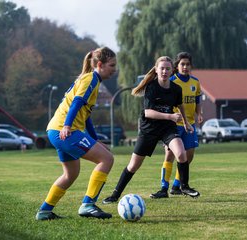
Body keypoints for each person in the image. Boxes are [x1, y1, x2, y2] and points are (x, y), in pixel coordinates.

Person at [102, 56, 200, 204]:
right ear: (156, 70)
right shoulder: (152, 87)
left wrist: (186, 123)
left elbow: (180, 106)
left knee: (181, 153)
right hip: (149, 129)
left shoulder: (176, 88)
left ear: (172, 70)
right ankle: (115, 194)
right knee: (134, 165)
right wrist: (170, 116)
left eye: (168, 68)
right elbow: (148, 113)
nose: (165, 71)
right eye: (162, 68)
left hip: (167, 128)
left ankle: (184, 186)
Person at [35, 47, 117, 220]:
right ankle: (88, 204)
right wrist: (67, 126)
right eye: (112, 65)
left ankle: (44, 211)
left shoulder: (90, 80)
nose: (114, 69)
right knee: (107, 159)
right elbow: (77, 103)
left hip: (55, 130)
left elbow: (85, 115)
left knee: (70, 174)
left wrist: (96, 140)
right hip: (65, 130)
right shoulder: (91, 79)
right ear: (100, 64)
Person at [150, 52, 203, 199]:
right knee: (170, 156)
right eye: (182, 64)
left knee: (188, 156)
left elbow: (197, 100)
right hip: (173, 125)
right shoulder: (171, 81)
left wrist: (199, 113)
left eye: (187, 64)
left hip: (189, 124)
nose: (185, 67)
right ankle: (163, 187)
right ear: (177, 66)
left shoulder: (195, 82)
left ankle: (176, 185)